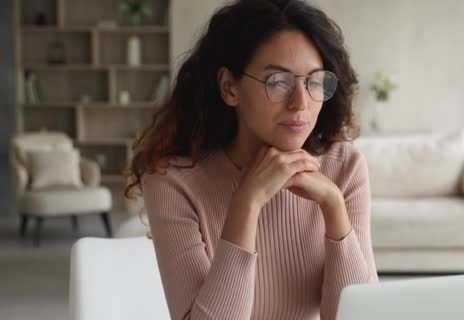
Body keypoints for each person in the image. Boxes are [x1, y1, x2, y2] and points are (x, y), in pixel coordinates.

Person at [125, 0, 378, 319]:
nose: (300, 103)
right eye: (279, 82)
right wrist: (247, 203)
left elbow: (359, 316)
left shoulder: (345, 167)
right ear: (230, 87)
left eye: (314, 81)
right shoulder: (172, 181)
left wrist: (333, 206)